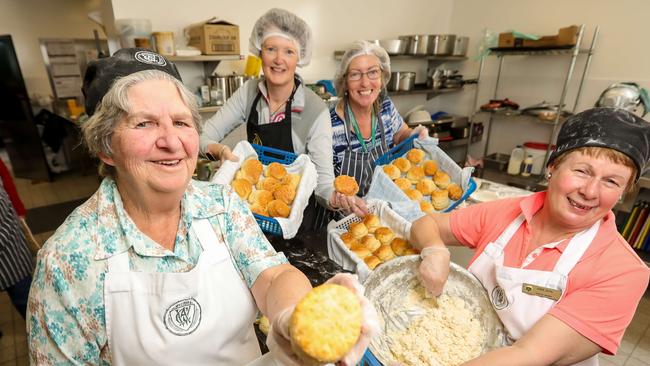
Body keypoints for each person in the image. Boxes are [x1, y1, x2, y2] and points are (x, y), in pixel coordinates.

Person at [27, 48, 376, 365]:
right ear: (105, 147)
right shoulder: (66, 260)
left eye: (181, 122)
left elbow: (273, 276)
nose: (171, 141)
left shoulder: (221, 204)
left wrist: (292, 318)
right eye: (145, 123)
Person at [410, 107, 650, 365]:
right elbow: (426, 224)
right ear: (553, 167)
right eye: (582, 171)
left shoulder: (622, 271)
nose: (591, 191)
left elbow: (528, 355)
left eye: (611, 182)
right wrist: (434, 249)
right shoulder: (509, 212)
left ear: (624, 192)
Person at [200, 8, 341, 227]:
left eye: (288, 52)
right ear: (259, 52)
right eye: (271, 49)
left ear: (300, 58)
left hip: (295, 221)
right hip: (252, 213)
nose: (278, 60)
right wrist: (220, 152)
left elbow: (323, 183)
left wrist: (337, 198)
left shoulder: (315, 110)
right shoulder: (248, 93)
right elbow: (204, 136)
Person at [328, 40, 428, 218]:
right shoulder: (329, 124)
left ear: (382, 77)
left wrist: (413, 134)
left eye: (373, 72)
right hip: (342, 219)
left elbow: (400, 134)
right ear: (344, 82)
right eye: (355, 74)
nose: (365, 83)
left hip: (384, 212)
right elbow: (323, 183)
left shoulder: (385, 108)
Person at [0, 159, 32, 325]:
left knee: (24, 297)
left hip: (9, 250)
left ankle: (39, 330)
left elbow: (6, 180)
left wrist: (19, 209)